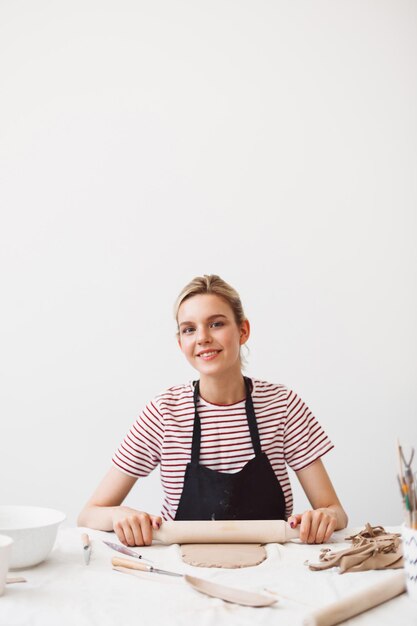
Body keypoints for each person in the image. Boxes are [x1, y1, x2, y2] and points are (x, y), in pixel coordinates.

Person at [78, 275, 348, 546]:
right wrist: (119, 516)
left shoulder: (283, 405)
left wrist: (323, 518)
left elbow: (336, 512)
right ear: (180, 343)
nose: (203, 338)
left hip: (272, 567)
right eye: (189, 329)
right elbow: (89, 515)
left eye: (216, 324)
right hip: (184, 568)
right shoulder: (164, 412)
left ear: (243, 331)